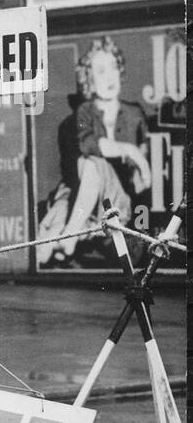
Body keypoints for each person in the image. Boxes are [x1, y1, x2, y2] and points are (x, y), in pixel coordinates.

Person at [36, 37, 151, 267]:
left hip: (118, 203)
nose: (109, 76)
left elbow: (142, 186)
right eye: (100, 71)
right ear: (88, 79)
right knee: (43, 248)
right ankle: (71, 237)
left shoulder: (134, 114)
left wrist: (142, 230)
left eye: (113, 68)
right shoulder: (85, 111)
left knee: (93, 164)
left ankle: (71, 237)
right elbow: (87, 145)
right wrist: (130, 151)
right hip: (81, 199)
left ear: (120, 71)